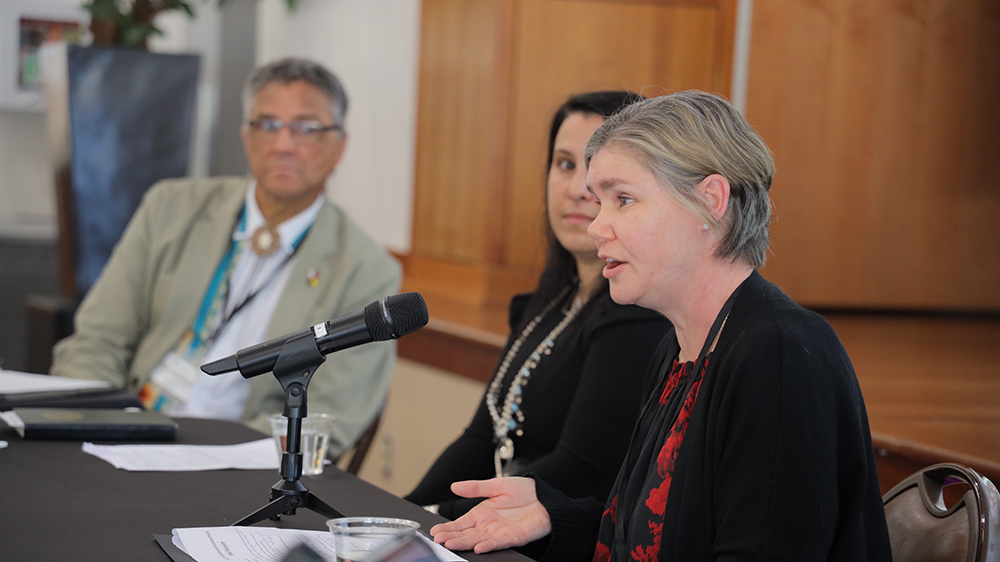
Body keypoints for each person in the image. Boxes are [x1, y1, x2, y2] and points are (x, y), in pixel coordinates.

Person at [430, 91, 892, 561]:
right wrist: (555, 515)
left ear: (710, 201)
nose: (596, 226)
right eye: (599, 201)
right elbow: (660, 540)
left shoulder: (780, 353)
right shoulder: (680, 348)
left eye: (623, 199)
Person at [51, 58, 401, 458]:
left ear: (340, 145)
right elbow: (97, 341)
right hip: (123, 436)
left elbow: (325, 419)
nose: (284, 145)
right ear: (246, 135)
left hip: (234, 465)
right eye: (268, 125)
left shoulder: (365, 271)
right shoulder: (171, 208)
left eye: (306, 128)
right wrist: (95, 427)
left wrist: (201, 457)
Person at [405, 92, 671, 521]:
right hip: (488, 526)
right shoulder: (554, 301)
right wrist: (405, 514)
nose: (578, 189)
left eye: (600, 172)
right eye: (565, 164)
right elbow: (480, 439)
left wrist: (440, 515)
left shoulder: (638, 313)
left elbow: (580, 471)